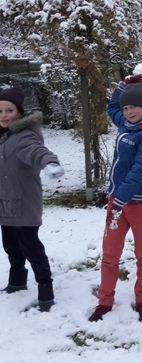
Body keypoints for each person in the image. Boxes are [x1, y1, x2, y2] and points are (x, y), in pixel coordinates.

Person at [88, 74, 142, 322]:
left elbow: (140, 170)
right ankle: (105, 301)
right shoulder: (127, 124)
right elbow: (112, 107)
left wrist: (120, 198)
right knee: (110, 255)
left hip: (141, 204)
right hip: (118, 202)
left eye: (133, 106)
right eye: (126, 108)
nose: (128, 111)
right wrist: (124, 85)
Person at [0, 87, 64, 312]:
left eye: (9, 110)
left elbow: (37, 151)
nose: (4, 115)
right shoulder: (3, 137)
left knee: (31, 248)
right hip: (5, 204)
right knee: (10, 246)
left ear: (19, 112)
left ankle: (45, 289)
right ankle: (17, 281)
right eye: (0, 111)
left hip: (24, 205)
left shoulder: (23, 136)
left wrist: (50, 163)